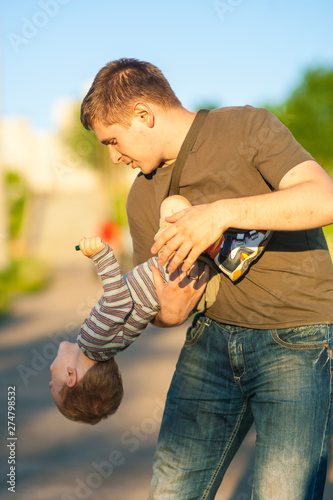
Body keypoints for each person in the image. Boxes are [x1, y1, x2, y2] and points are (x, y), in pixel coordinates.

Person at [80, 58, 333, 499]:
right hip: (210, 344)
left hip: (299, 340)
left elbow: (323, 198)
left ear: (143, 114)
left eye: (113, 140)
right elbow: (168, 312)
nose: (113, 155)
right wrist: (173, 299)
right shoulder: (142, 194)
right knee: (172, 492)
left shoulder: (245, 125)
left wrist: (219, 215)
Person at [50, 194, 269, 424]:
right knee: (172, 207)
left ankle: (225, 248)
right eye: (51, 381)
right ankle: (229, 250)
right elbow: (117, 301)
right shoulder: (92, 341)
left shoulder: (105, 348)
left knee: (179, 216)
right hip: (168, 267)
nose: (50, 373)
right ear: (71, 376)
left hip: (173, 274)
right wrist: (101, 256)